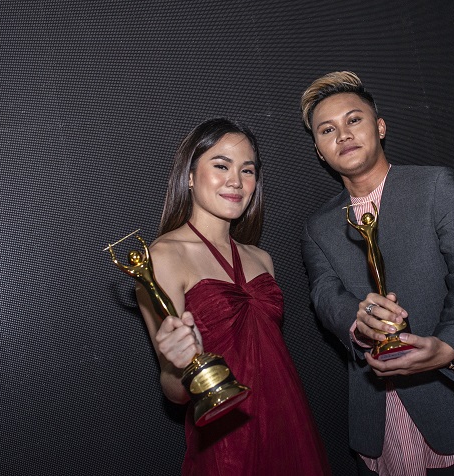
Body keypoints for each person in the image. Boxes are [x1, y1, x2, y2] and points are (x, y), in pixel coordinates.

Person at [300, 71, 454, 475]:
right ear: (320, 152)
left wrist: (450, 346)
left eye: (353, 119)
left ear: (380, 127)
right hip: (378, 421)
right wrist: (358, 322)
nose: (343, 135)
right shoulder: (317, 226)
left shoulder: (433, 186)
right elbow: (324, 295)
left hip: (452, 401)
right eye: (327, 130)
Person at [136, 117, 331, 476]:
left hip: (290, 421)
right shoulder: (163, 257)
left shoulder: (261, 259)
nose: (236, 181)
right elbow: (174, 391)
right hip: (227, 437)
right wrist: (178, 365)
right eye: (221, 166)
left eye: (247, 170)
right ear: (190, 176)